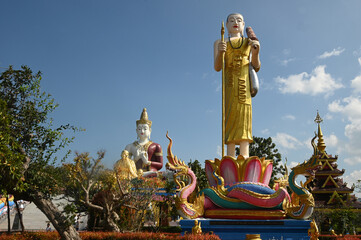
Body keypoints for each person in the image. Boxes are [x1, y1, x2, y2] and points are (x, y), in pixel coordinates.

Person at [214, 13, 261, 158]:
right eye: (232, 20)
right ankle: (229, 157)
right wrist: (221, 52)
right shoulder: (220, 42)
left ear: (243, 24)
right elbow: (217, 67)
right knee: (230, 117)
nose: (235, 22)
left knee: (244, 118)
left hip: (244, 86)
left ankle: (245, 157)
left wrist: (256, 52)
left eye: (239, 20)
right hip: (229, 85)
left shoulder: (249, 42)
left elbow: (256, 66)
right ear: (227, 26)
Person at [124, 108, 163, 177]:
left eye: (145, 129)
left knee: (159, 174)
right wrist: (136, 158)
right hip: (134, 174)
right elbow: (125, 165)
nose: (142, 131)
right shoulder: (130, 146)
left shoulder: (156, 146)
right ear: (136, 131)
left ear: (150, 130)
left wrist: (147, 162)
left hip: (150, 173)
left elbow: (160, 165)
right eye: (139, 129)